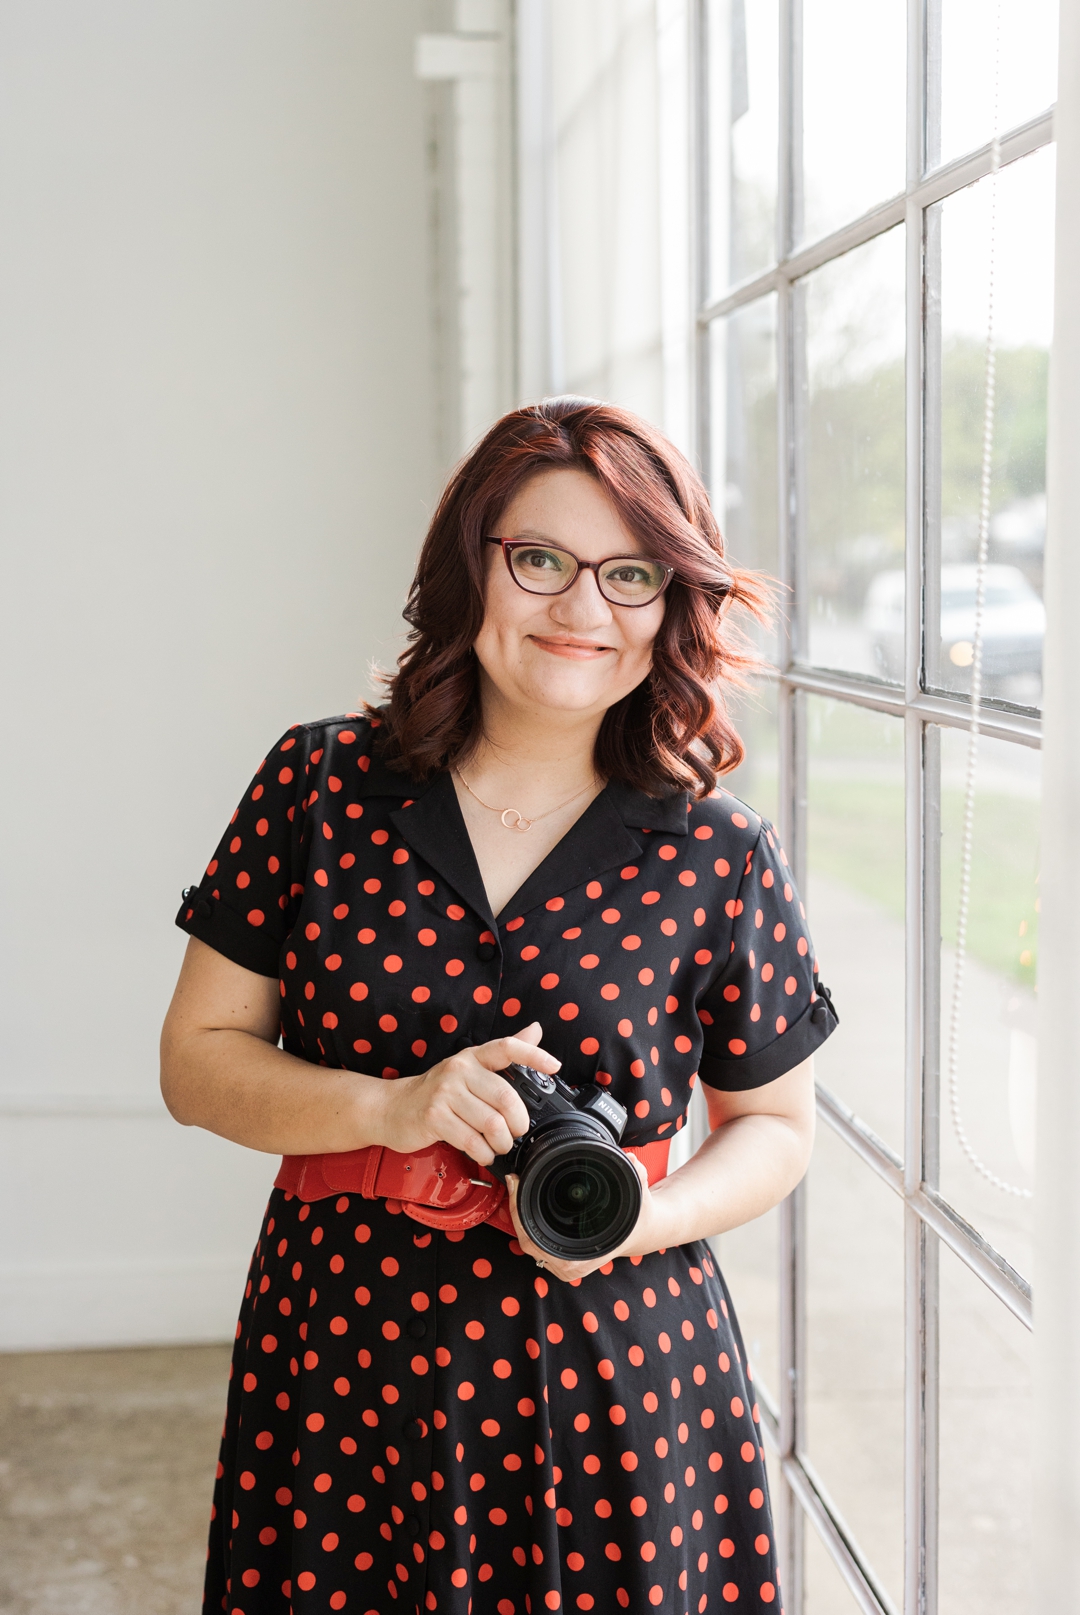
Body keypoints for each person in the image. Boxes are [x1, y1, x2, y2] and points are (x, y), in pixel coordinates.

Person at [161, 397, 838, 1615]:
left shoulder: (717, 850)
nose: (584, 611)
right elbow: (197, 1062)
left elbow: (777, 1127)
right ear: (467, 565)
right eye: (540, 560)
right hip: (348, 1352)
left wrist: (646, 1221)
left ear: (671, 602)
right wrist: (393, 1103)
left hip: (619, 1361)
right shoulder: (317, 786)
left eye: (630, 573)